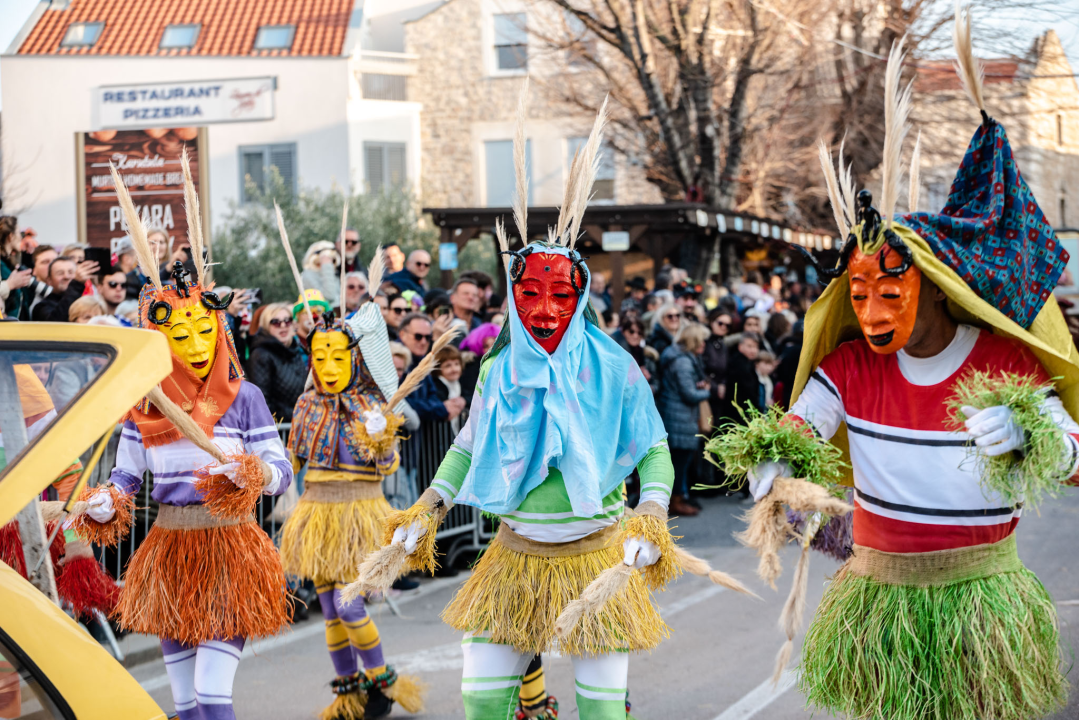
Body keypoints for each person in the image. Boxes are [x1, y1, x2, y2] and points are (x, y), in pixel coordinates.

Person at [735, 21, 1079, 719]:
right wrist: (772, 461)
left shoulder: (1002, 361)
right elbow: (802, 429)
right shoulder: (848, 367)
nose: (869, 312)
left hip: (979, 602)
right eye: (856, 294)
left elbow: (1074, 458)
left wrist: (1028, 436)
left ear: (930, 286)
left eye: (887, 293)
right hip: (878, 602)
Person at [378, 96, 682, 720]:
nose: (544, 310)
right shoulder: (496, 368)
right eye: (530, 295)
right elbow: (467, 447)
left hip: (598, 557)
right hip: (513, 557)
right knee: (482, 703)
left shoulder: (615, 368)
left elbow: (652, 447)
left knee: (601, 711)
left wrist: (651, 513)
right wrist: (429, 507)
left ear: (581, 296)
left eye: (559, 295)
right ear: (513, 300)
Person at [75, 165, 292, 720]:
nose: (195, 344)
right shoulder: (144, 405)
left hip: (231, 553)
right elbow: (126, 476)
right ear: (158, 341)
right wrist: (108, 501)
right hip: (169, 557)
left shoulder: (245, 397)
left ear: (219, 330)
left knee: (214, 697)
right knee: (184, 704)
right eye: (179, 335)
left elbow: (280, 468)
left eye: (204, 331)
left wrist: (250, 474)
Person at [279, 250, 426, 719]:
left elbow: (387, 467)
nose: (327, 363)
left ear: (355, 356)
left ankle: (383, 682)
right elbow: (289, 463)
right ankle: (349, 694)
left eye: (336, 354)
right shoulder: (306, 406)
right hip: (316, 514)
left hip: (360, 512)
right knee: (329, 607)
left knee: (349, 606)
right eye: (319, 355)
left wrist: (382, 435)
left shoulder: (372, 403)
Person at [657, 323, 711, 516]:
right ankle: (675, 501)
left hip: (679, 416)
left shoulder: (682, 358)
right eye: (702, 340)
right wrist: (705, 392)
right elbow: (688, 393)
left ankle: (678, 498)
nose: (705, 344)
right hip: (679, 417)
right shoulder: (683, 362)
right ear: (694, 341)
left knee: (680, 460)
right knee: (679, 462)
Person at [246, 302, 307, 424]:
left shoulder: (296, 350)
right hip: (279, 433)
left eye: (287, 320)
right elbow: (262, 402)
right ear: (266, 326)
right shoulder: (261, 355)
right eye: (276, 322)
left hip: (299, 427)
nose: (283, 325)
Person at [399, 312, 465, 422]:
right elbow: (403, 403)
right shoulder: (395, 360)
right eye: (418, 336)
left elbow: (433, 396)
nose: (424, 342)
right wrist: (441, 409)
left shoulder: (425, 362)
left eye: (428, 337)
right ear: (402, 335)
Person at [32, 256, 98, 322]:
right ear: (49, 280)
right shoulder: (42, 307)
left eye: (71, 272)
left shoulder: (89, 301)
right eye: (60, 273)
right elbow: (56, 323)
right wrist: (76, 284)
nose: (66, 276)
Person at [612, 315, 659, 395]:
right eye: (631, 331)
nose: (635, 335)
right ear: (623, 332)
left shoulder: (647, 355)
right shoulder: (616, 354)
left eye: (639, 333)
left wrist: (650, 388)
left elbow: (656, 382)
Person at [0, 216, 33, 319]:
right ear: (11, 236)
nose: (21, 237)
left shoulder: (9, 262)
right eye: (19, 233)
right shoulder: (3, 264)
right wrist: (9, 285)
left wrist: (27, 256)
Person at [703, 310, 732, 414]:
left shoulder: (723, 345)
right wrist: (715, 387)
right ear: (711, 322)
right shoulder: (704, 342)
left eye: (727, 325)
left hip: (719, 395)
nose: (723, 327)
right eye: (720, 323)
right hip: (706, 391)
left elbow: (726, 369)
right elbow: (700, 367)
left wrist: (723, 385)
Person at [432, 344, 465, 433]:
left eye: (457, 364)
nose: (454, 369)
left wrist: (463, 400)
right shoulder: (436, 385)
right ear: (438, 368)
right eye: (448, 366)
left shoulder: (459, 384)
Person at [301, 240, 342, 311]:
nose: (330, 263)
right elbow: (329, 296)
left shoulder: (333, 274)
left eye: (332, 260)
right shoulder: (308, 275)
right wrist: (326, 266)